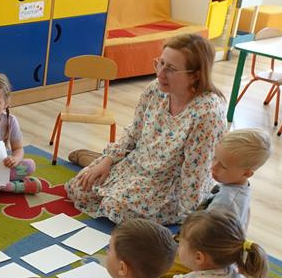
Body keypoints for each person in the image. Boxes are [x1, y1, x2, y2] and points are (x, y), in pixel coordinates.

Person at [65, 33, 227, 224]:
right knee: (79, 189)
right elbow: (134, 131)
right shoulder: (155, 89)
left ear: (195, 76)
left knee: (114, 208)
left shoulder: (207, 114)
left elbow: (195, 175)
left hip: (169, 183)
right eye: (160, 63)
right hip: (137, 164)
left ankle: (92, 159)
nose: (160, 73)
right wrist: (107, 161)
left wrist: (189, 219)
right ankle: (97, 159)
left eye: (171, 69)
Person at [199, 127, 272, 230]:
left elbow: (206, 233)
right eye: (215, 158)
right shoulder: (239, 185)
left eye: (223, 166)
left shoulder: (225, 205)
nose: (213, 167)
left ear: (246, 173)